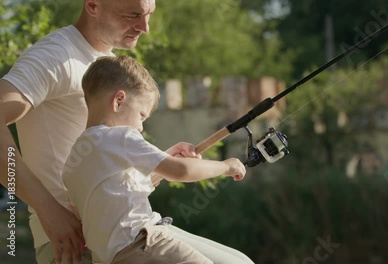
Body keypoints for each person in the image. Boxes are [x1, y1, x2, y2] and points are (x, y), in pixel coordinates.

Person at [0, 1, 182, 263]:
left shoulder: (107, 65)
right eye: (133, 15)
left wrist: (163, 165)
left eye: (148, 15)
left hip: (129, 234)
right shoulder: (55, 55)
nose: (145, 28)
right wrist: (49, 211)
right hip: (76, 246)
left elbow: (102, 169)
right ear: (93, 5)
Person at [62, 55, 254, 264]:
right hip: (143, 243)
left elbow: (117, 196)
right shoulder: (120, 136)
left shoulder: (74, 160)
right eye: (141, 115)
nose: (140, 127)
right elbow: (182, 171)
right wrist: (226, 166)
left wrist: (164, 159)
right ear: (118, 101)